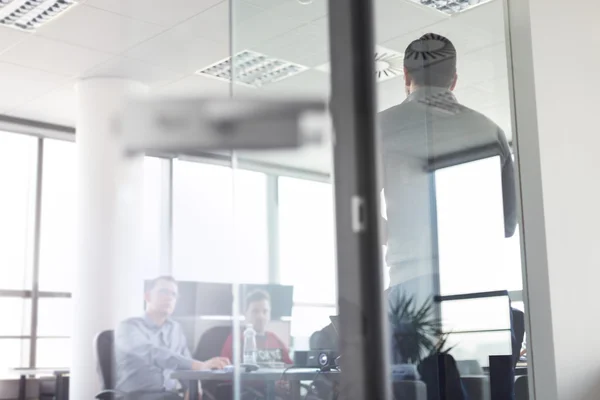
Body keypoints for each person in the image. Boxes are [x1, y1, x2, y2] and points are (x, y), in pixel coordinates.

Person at [379, 33, 517, 304]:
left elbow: (354, 216)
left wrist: (401, 234)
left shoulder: (378, 128)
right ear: (454, 79)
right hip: (478, 282)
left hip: (411, 283)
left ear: (406, 76)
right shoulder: (490, 131)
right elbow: (508, 224)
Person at [115, 276, 230, 400]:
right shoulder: (128, 327)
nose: (169, 297)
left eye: (173, 294)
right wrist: (198, 365)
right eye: (163, 292)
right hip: (136, 397)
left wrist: (192, 387)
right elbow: (152, 353)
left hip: (171, 396)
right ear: (148, 296)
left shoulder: (176, 329)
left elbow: (185, 363)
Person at [221, 290, 293, 365]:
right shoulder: (234, 341)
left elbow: (290, 368)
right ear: (246, 313)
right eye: (255, 311)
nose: (260, 316)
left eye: (265, 311)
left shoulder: (275, 340)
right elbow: (224, 370)